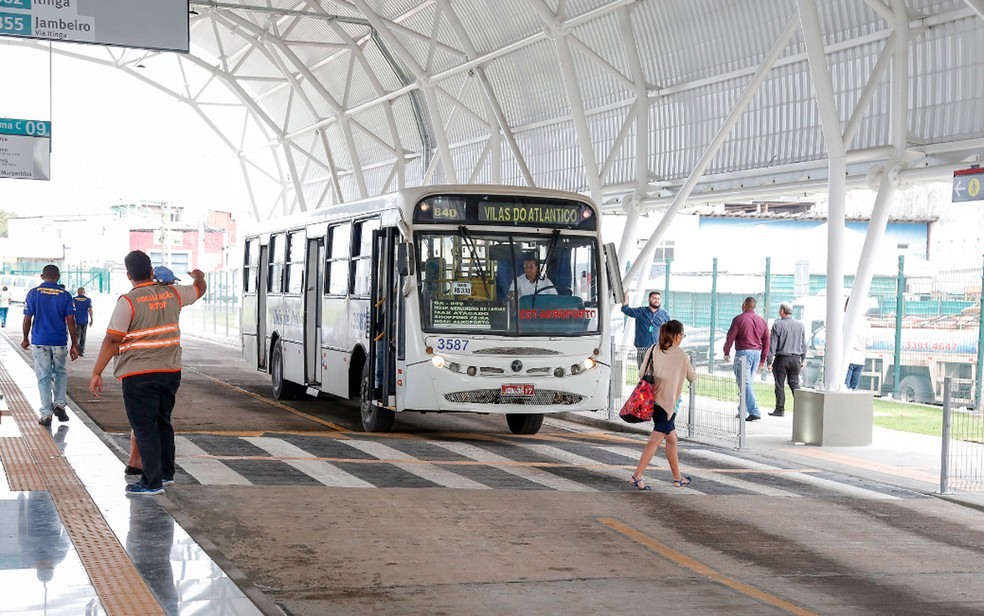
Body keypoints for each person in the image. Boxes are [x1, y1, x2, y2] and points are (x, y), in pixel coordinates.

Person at [89, 254, 206, 496]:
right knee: (163, 422)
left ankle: (151, 483)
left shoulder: (128, 302)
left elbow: (113, 339)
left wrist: (97, 371)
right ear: (151, 271)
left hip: (139, 374)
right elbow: (199, 290)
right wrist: (199, 277)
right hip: (170, 372)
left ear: (129, 275)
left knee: (144, 427)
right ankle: (166, 474)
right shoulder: (174, 294)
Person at [630, 320, 696, 490]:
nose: (681, 338)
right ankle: (637, 475)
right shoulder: (681, 354)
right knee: (655, 440)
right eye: (681, 335)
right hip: (669, 404)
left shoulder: (653, 349)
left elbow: (641, 373)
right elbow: (692, 377)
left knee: (672, 439)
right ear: (677, 336)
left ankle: (677, 478)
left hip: (653, 400)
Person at [21, 265, 79, 426]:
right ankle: (60, 404)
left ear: (42, 276)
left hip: (40, 341)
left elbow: (27, 319)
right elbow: (71, 321)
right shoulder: (65, 295)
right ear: (58, 277)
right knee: (60, 373)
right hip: (59, 341)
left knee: (44, 377)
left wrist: (25, 338)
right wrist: (74, 344)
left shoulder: (33, 293)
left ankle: (46, 414)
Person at [723, 296, 769, 421]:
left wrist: (726, 351)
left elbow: (730, 336)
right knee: (747, 382)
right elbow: (766, 340)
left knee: (745, 382)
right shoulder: (762, 321)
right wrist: (763, 359)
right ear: (755, 307)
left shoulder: (739, 319)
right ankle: (742, 409)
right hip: (757, 353)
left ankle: (754, 411)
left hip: (743, 353)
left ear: (744, 305)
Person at [766, 302, 806, 417]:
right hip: (796, 359)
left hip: (782, 359)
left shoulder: (777, 325)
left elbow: (772, 345)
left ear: (782, 311)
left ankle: (780, 409)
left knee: (779, 384)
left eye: (779, 309)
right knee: (794, 383)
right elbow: (803, 344)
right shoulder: (800, 325)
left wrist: (769, 361)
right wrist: (802, 358)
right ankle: (801, 409)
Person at [621, 290, 670, 368]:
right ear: (649, 299)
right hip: (642, 348)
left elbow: (668, 330)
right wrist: (626, 292)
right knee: (642, 371)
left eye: (658, 299)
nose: (656, 300)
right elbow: (626, 309)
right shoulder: (641, 311)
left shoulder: (664, 314)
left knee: (657, 371)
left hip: (658, 348)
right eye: (654, 298)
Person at [845, 297, 871, 390]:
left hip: (847, 358)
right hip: (860, 358)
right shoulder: (865, 322)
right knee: (854, 387)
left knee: (844, 386)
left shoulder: (845, 319)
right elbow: (869, 342)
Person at [72, 287, 93, 357]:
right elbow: (90, 310)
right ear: (84, 292)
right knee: (83, 336)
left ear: (78, 292)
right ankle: (81, 349)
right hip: (84, 320)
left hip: (76, 319)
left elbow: (71, 309)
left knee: (77, 335)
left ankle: (77, 348)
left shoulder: (74, 299)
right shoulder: (88, 300)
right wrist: (92, 319)